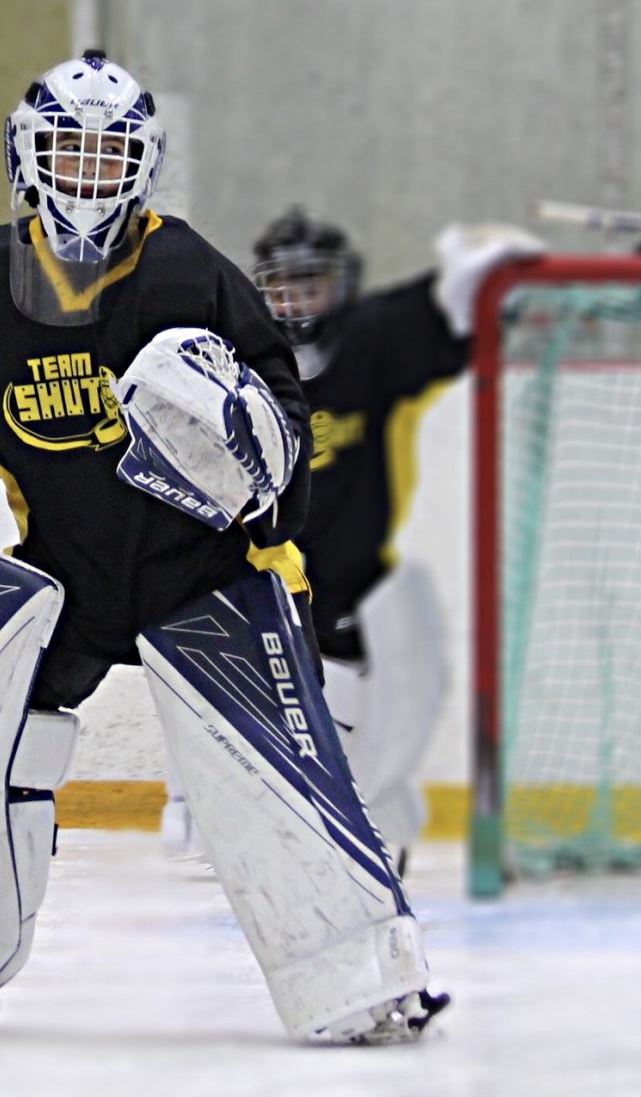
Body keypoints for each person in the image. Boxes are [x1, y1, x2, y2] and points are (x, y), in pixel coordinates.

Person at [0, 55, 446, 1047]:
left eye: (109, 157)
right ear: (24, 158)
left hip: (207, 575)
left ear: (141, 167)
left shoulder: (190, 274)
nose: (86, 178)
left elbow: (283, 425)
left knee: (264, 773)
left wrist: (244, 451)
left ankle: (358, 973)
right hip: (67, 572)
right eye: (67, 151)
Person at [194, 205, 538, 859]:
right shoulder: (237, 362)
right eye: (281, 286)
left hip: (354, 582)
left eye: (310, 284)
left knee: (357, 711)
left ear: (341, 284)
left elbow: (452, 308)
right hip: (266, 574)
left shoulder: (373, 337)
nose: (295, 302)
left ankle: (361, 827)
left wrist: (478, 261)